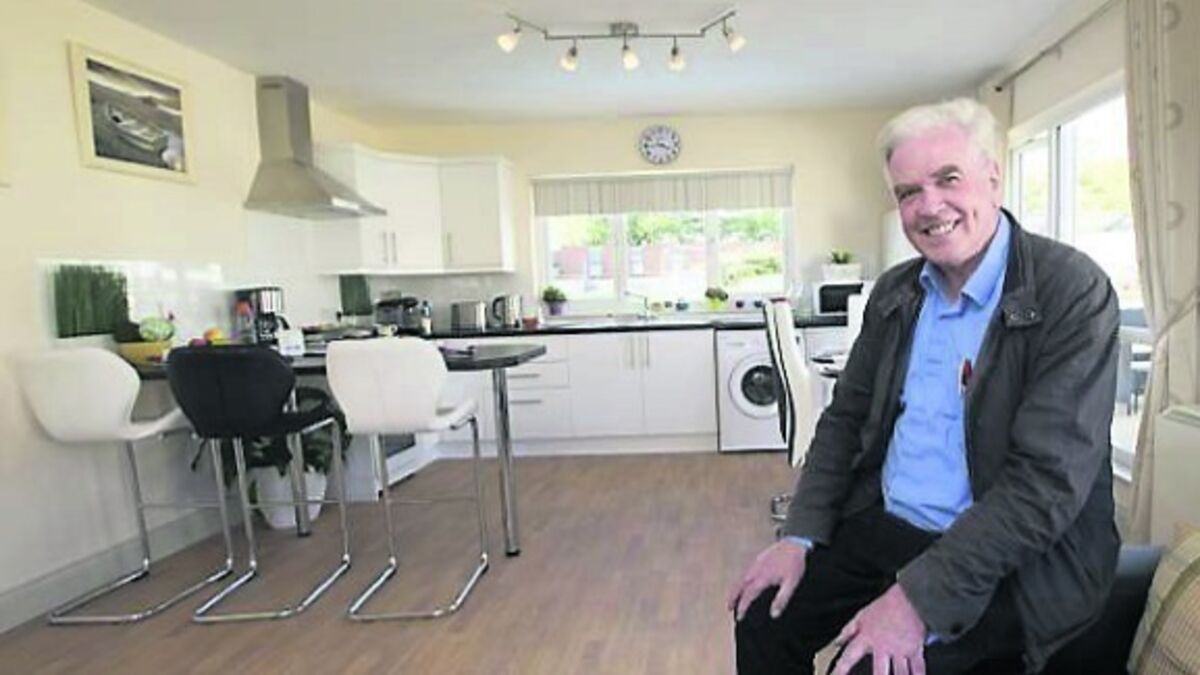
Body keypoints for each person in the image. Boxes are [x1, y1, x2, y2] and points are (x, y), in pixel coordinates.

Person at [728, 98, 1120, 675]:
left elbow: (1046, 482)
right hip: (892, 524)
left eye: (948, 178)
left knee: (869, 667)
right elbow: (843, 421)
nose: (929, 205)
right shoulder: (897, 292)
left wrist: (918, 599)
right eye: (908, 191)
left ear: (993, 177)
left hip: (1011, 558)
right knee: (761, 616)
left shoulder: (1071, 290)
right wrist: (799, 535)